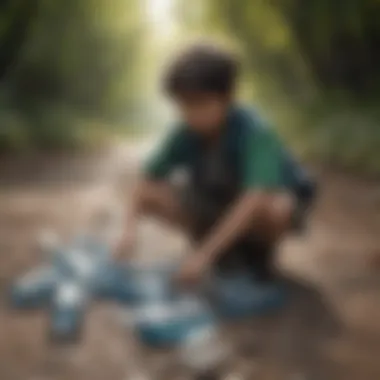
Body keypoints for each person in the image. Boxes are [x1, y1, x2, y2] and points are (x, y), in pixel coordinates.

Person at [116, 42, 316, 288]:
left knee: (276, 205)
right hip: (216, 203)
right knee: (148, 191)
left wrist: (203, 257)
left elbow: (255, 197)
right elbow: (145, 178)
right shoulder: (184, 131)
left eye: (199, 104)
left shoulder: (256, 132)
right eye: (183, 105)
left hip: (258, 211)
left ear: (227, 98)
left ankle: (254, 254)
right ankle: (221, 251)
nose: (190, 114)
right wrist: (128, 231)